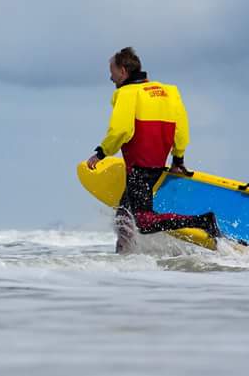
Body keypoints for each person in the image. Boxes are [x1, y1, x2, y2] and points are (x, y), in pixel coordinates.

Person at [86, 47, 220, 252]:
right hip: (157, 164)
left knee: (144, 221)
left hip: (139, 166)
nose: (110, 77)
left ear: (123, 71)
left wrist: (101, 153)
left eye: (112, 71)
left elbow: (121, 130)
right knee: (123, 216)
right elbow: (181, 128)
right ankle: (124, 258)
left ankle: (203, 221)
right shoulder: (168, 92)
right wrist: (178, 159)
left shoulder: (127, 93)